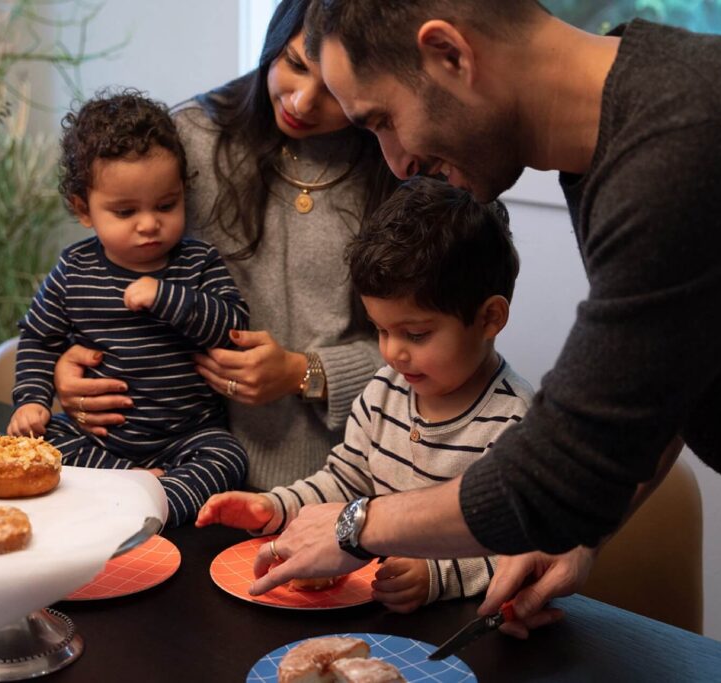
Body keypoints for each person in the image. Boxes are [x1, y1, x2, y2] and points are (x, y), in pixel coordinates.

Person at [247, 1, 721, 678]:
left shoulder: (686, 149)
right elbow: (673, 378)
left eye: (383, 120)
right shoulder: (624, 136)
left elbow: (560, 471)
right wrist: (580, 535)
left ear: (449, 54)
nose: (397, 161)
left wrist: (356, 524)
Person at [51, 0, 399, 490]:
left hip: (338, 483)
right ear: (273, 42)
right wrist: (66, 367)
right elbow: (106, 272)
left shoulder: (403, 166)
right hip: (171, 465)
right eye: (295, 65)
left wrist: (307, 373)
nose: (301, 101)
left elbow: (445, 348)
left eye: (336, 87)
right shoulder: (193, 137)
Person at [197, 177, 531, 613]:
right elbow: (344, 483)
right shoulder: (384, 390)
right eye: (380, 330)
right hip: (372, 607)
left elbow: (519, 548)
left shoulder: (515, 421)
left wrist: (436, 576)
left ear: (489, 317)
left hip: (457, 627)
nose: (392, 352)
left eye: (415, 333)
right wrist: (275, 507)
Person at [8, 89, 250, 528]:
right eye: (124, 211)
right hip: (100, 440)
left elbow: (232, 326)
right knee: (44, 449)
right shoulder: (73, 270)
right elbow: (38, 339)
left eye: (166, 205)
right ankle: (130, 487)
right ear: (84, 210)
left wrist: (167, 297)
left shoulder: (198, 263)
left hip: (186, 437)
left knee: (227, 457)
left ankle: (154, 504)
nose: (149, 224)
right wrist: (31, 401)